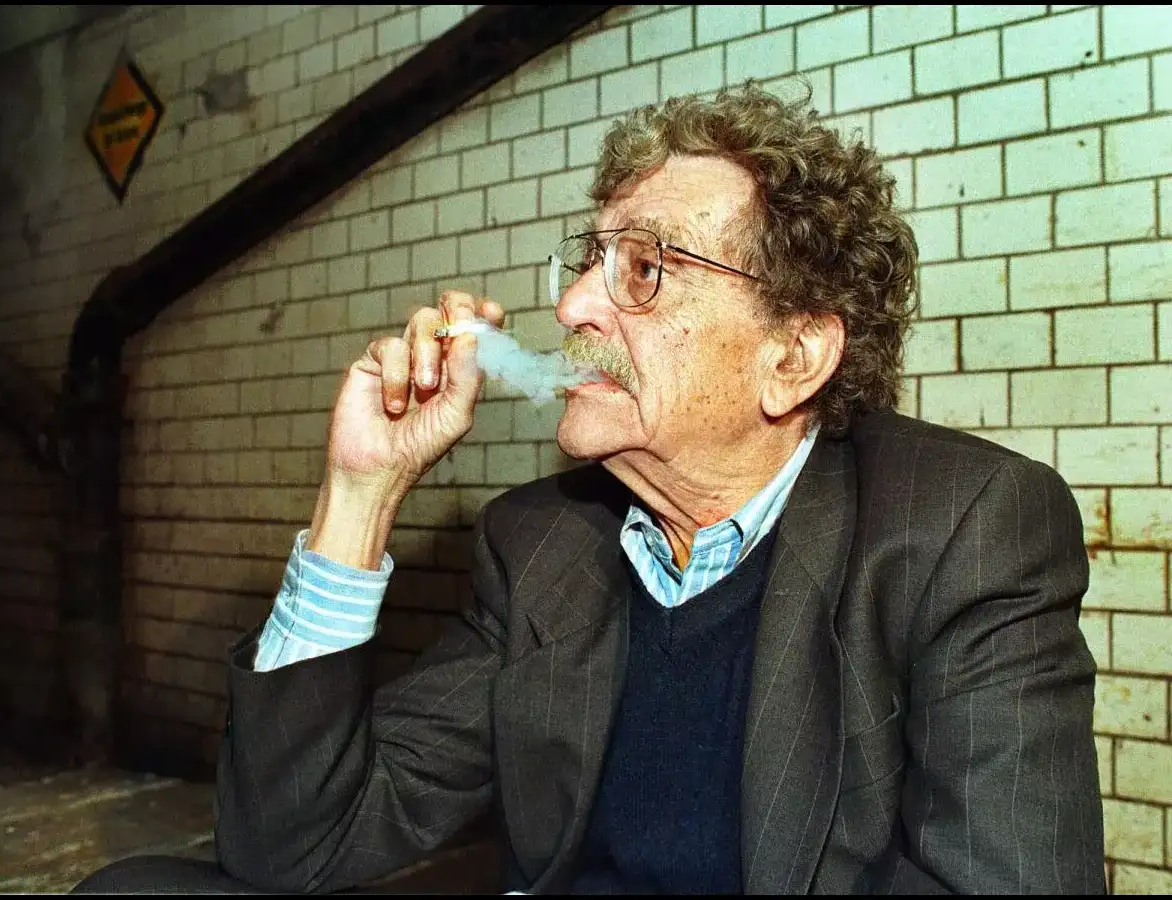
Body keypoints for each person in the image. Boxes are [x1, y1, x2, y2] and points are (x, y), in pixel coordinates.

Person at [76, 82, 1105, 895]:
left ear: (792, 357)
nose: (573, 306)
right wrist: (360, 496)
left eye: (645, 269)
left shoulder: (964, 530)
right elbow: (292, 846)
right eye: (589, 259)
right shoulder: (540, 543)